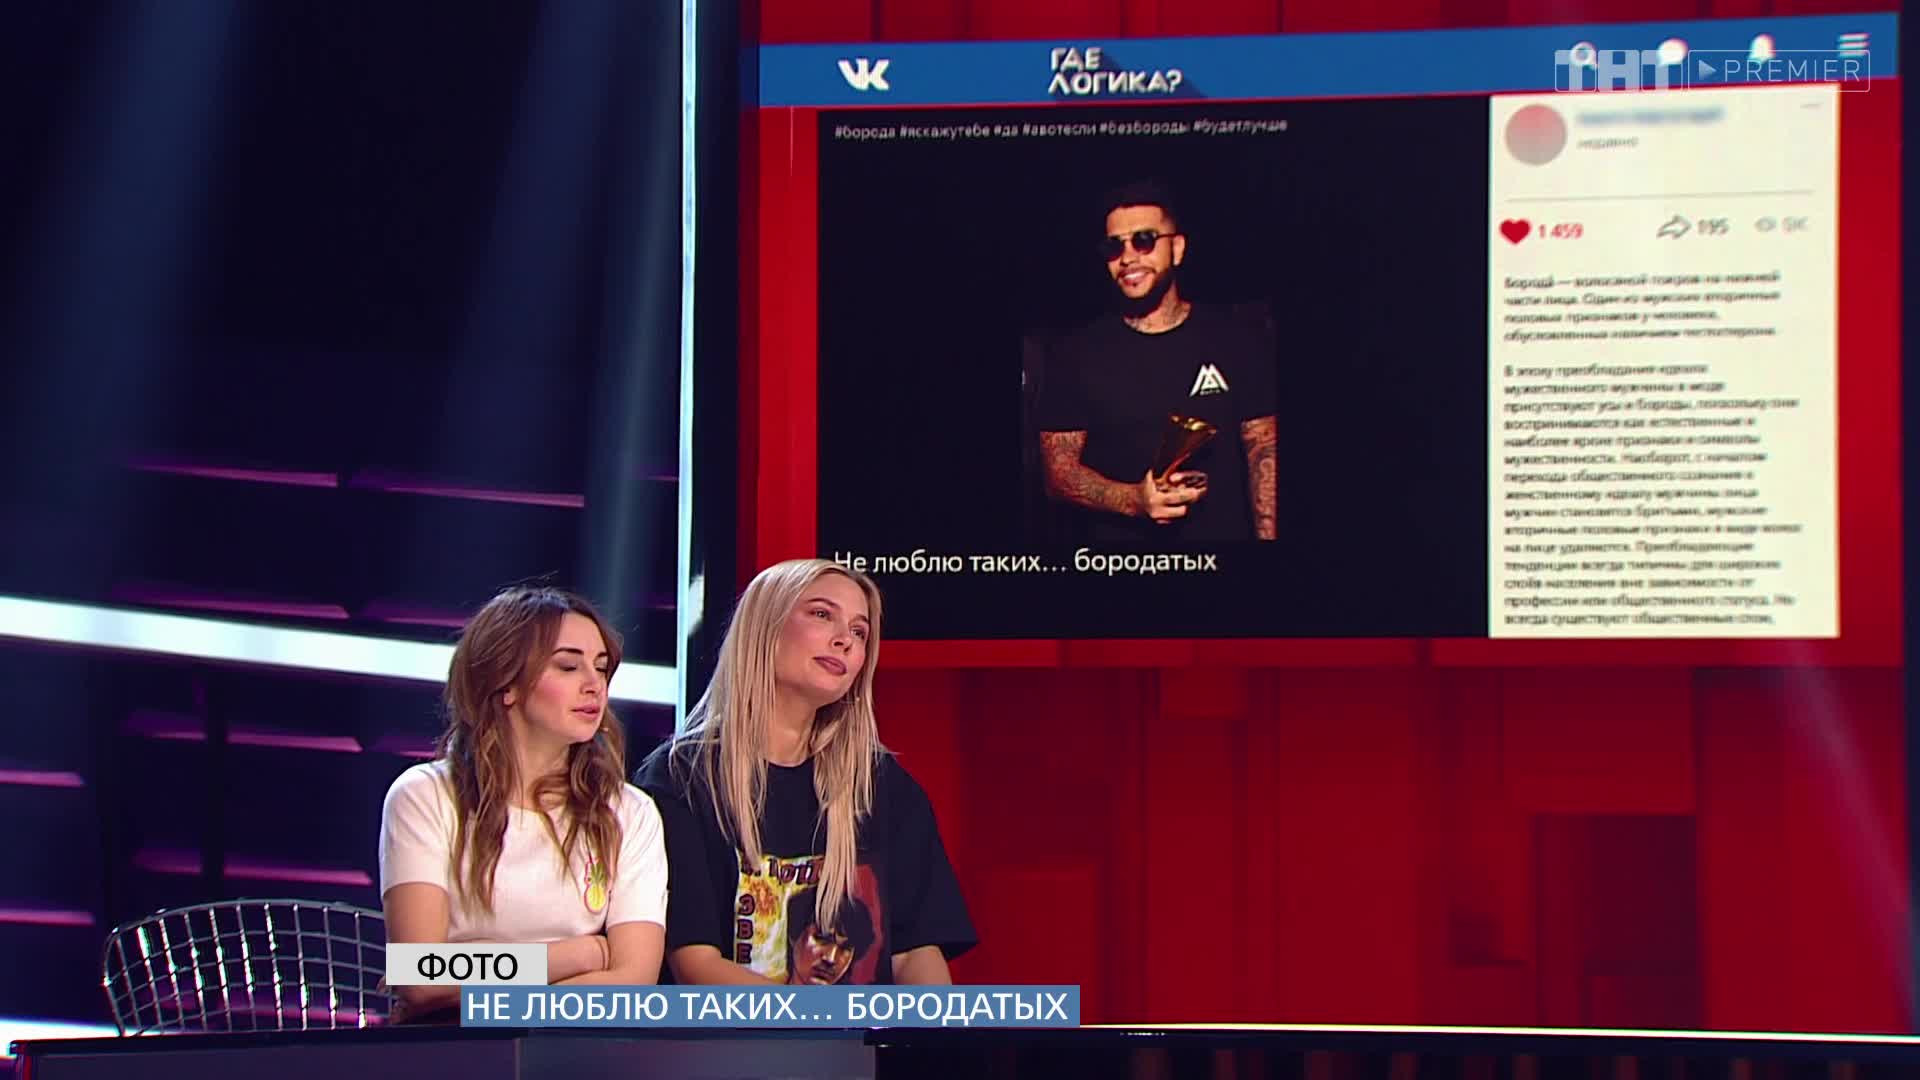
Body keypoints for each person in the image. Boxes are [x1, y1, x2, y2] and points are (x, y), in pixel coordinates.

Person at [634, 559, 975, 985]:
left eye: (859, 632)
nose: (844, 640)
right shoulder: (680, 778)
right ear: (765, 627)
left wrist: (932, 1027)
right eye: (822, 614)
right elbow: (695, 964)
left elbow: (915, 953)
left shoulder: (883, 784)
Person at [379, 586, 668, 1021]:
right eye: (568, 666)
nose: (594, 685)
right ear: (506, 683)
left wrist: (478, 985)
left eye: (601, 667)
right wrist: (580, 954)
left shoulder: (631, 813)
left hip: (578, 1047)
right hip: (449, 1046)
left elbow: (633, 982)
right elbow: (421, 976)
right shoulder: (425, 796)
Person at [1036, 179, 1278, 543]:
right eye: (1114, 246)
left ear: (1177, 249)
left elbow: (1265, 456)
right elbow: (1058, 474)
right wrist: (1133, 500)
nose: (1128, 257)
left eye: (1144, 240)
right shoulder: (1074, 353)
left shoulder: (1237, 340)